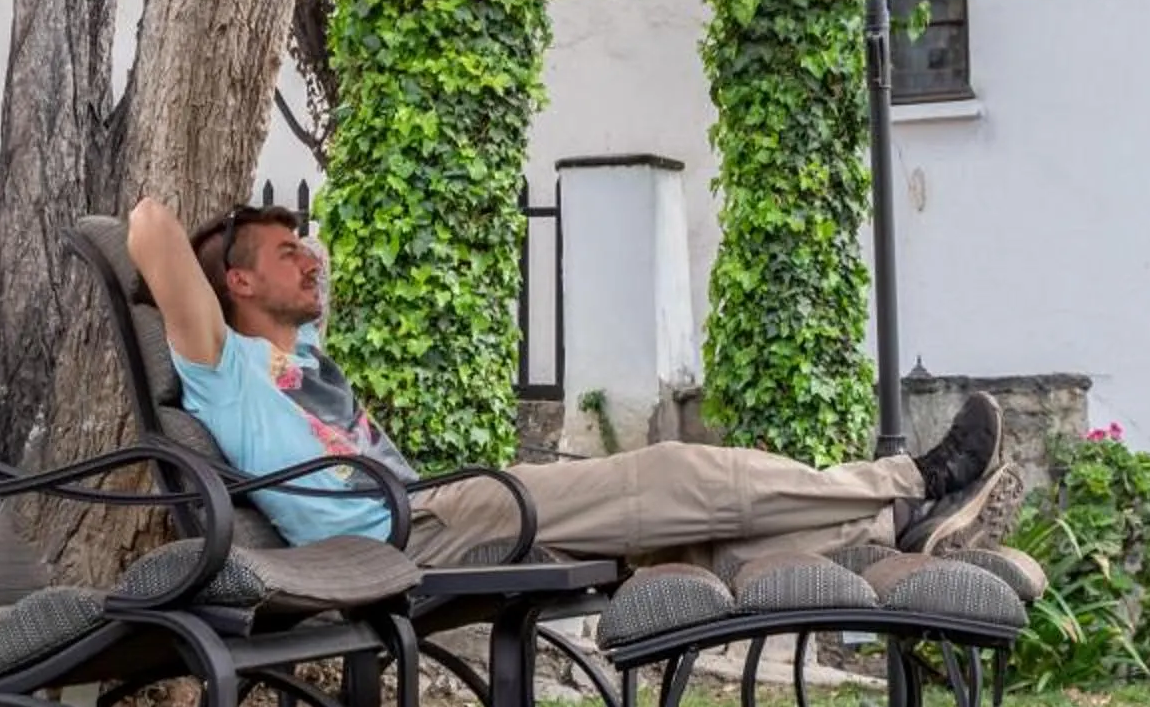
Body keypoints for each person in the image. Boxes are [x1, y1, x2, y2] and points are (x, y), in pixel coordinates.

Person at [124, 196, 1014, 569]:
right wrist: (227, 234)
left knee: (686, 545)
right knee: (670, 473)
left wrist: (258, 245)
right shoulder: (225, 370)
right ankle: (916, 482)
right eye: (287, 252)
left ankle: (893, 529)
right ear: (234, 286)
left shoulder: (305, 363)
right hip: (405, 532)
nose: (312, 260)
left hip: (424, 514)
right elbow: (149, 227)